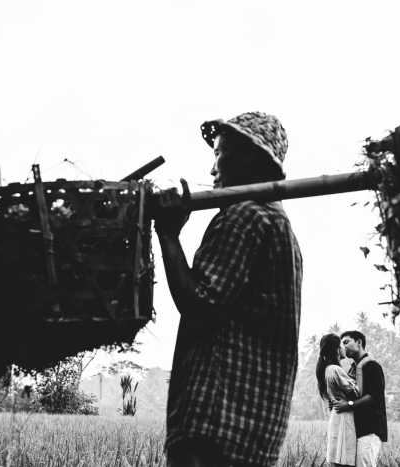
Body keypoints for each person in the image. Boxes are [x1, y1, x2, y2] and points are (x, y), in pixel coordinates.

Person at [153, 111, 303, 467]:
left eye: (219, 153)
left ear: (249, 157)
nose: (213, 168)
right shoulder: (279, 225)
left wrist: (168, 234)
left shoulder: (245, 217)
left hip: (216, 424)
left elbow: (200, 305)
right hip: (250, 430)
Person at [331, 331, 388, 467]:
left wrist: (348, 404)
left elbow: (374, 396)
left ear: (359, 342)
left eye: (346, 342)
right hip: (356, 430)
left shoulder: (372, 366)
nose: (343, 347)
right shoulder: (353, 368)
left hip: (369, 430)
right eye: (341, 344)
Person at [316, 333, 359, 467]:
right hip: (344, 420)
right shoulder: (335, 370)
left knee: (339, 461)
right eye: (342, 345)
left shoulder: (328, 369)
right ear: (336, 350)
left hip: (337, 418)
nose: (344, 348)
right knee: (345, 460)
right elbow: (356, 392)